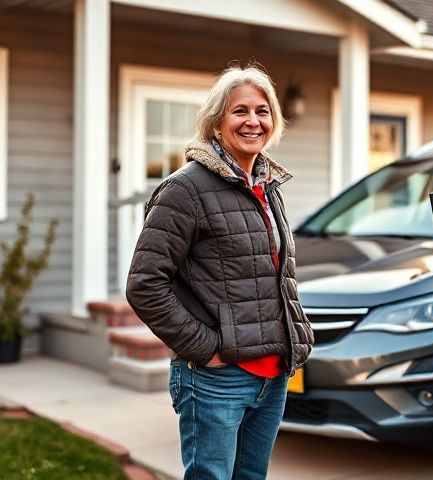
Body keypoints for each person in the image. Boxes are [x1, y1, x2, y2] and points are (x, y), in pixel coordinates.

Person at [126, 63, 314, 480]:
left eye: (262, 111)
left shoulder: (266, 187)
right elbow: (145, 284)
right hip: (217, 379)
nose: (253, 121)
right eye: (240, 111)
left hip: (272, 376)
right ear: (216, 122)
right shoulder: (186, 188)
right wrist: (206, 348)